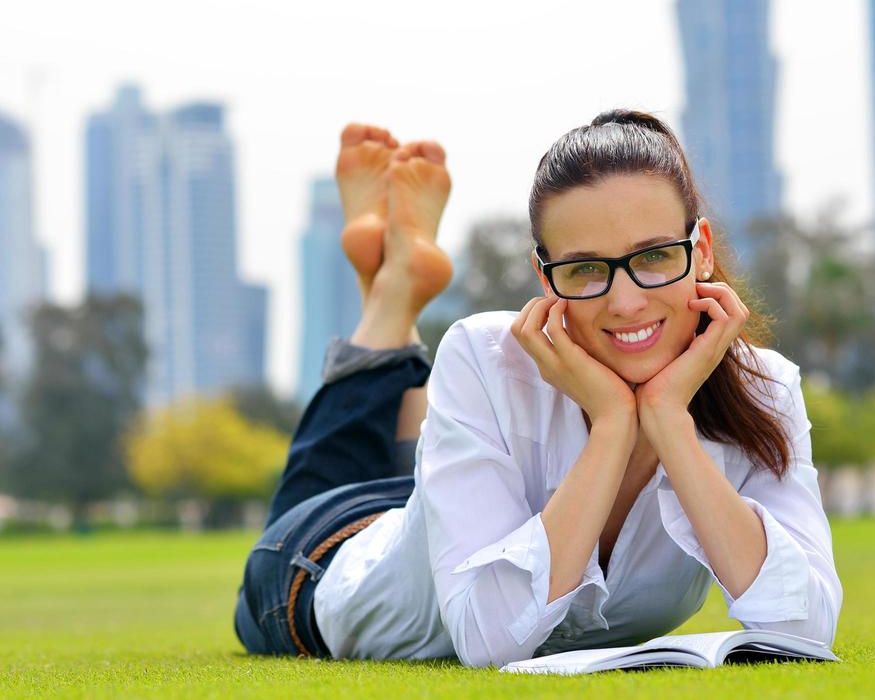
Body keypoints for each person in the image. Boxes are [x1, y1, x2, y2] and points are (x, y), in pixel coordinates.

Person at [234, 112, 842, 669]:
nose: (626, 300)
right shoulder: (485, 357)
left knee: (428, 480)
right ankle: (390, 297)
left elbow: (804, 626)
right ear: (543, 276)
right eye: (585, 269)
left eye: (654, 256)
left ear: (701, 250)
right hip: (319, 560)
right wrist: (611, 425)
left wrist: (667, 419)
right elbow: (488, 641)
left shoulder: (765, 391)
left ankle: (389, 284)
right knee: (322, 483)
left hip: (437, 507)